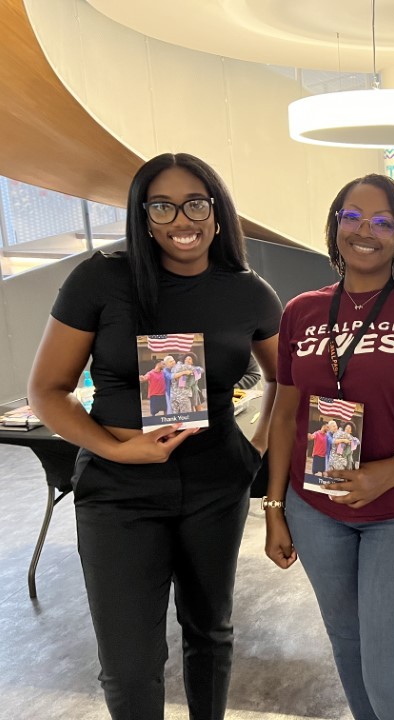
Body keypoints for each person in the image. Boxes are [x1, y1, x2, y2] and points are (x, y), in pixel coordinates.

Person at [27, 152, 282, 720]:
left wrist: (255, 449)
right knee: (129, 663)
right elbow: (48, 389)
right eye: (161, 205)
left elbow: (286, 379)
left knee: (210, 633)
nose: (180, 219)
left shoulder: (246, 290)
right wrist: (115, 447)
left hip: (216, 486)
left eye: (195, 203)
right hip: (118, 492)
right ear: (142, 215)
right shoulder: (101, 278)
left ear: (216, 211)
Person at [264, 173, 394, 720]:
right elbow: (286, 412)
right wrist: (274, 508)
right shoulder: (301, 312)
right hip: (316, 512)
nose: (366, 231)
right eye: (352, 217)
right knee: (353, 660)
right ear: (335, 225)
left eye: (383, 222)